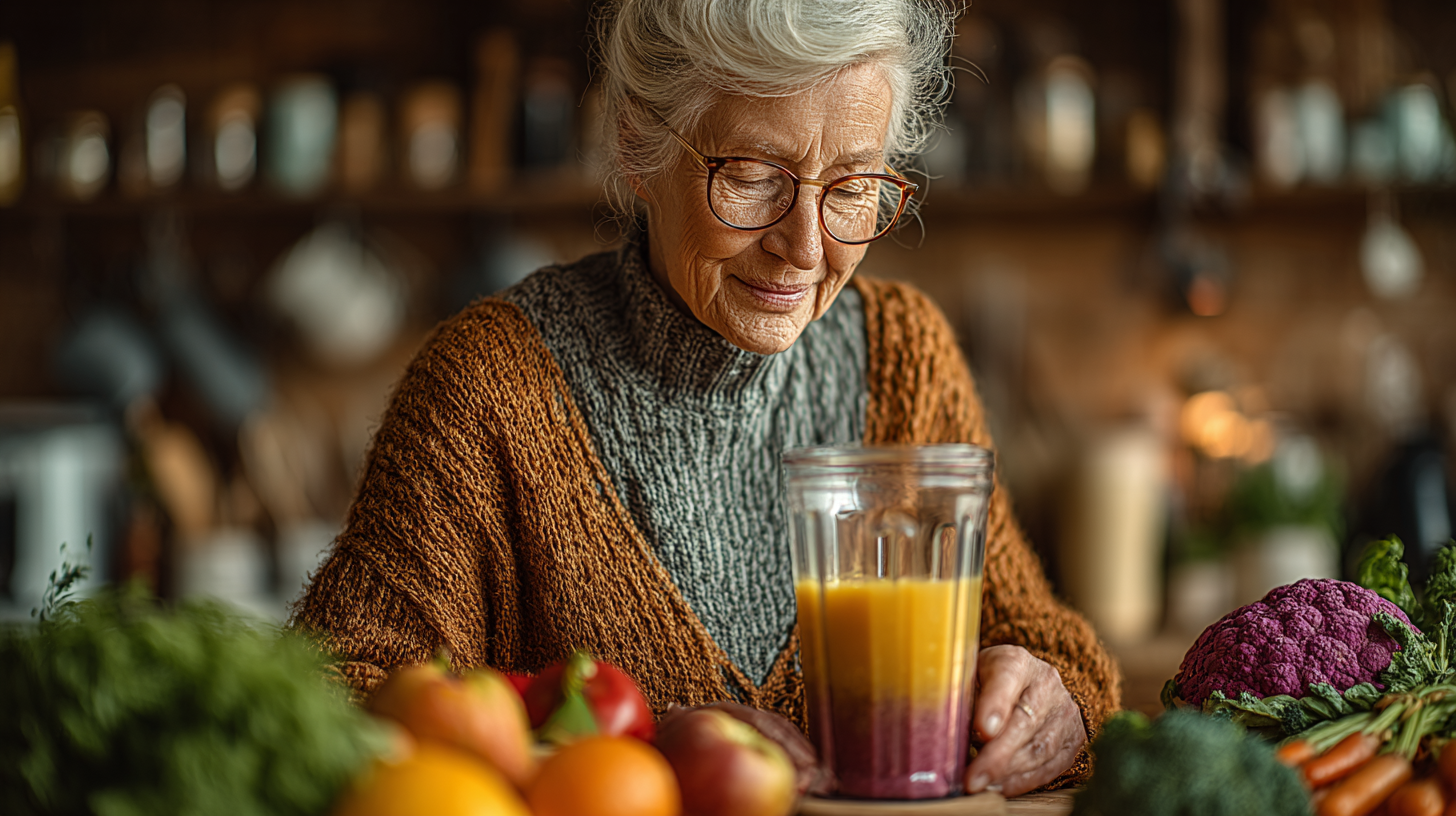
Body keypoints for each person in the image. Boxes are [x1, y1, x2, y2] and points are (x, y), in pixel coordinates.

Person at [293, 0, 1120, 796]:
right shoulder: (489, 389)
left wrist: (1058, 701)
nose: (804, 247)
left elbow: (1039, 641)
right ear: (637, 145)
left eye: (852, 185)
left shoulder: (906, 355)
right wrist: (652, 752)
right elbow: (331, 707)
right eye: (755, 177)